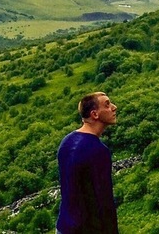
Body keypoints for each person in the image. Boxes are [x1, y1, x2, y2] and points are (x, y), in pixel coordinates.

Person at [56, 92, 119, 234]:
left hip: (64, 226)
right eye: (107, 104)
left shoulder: (67, 141)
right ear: (94, 114)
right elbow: (103, 200)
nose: (114, 107)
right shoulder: (98, 151)